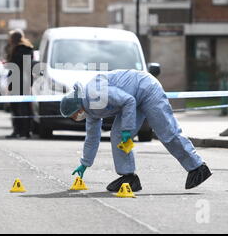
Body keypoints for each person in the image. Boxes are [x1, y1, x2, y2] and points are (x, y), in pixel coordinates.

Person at [60, 69, 212, 192]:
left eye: (73, 115)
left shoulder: (95, 93)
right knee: (118, 137)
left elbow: (128, 101)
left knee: (166, 131)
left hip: (147, 89)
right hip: (133, 98)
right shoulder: (90, 111)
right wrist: (85, 163)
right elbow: (92, 137)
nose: (75, 118)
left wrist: (127, 129)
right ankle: (129, 177)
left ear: (77, 108)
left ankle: (198, 167)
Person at [6, 29, 34, 139]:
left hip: (18, 81)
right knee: (24, 107)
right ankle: (24, 131)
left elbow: (14, 67)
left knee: (18, 107)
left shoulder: (17, 49)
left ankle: (20, 131)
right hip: (25, 81)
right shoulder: (28, 49)